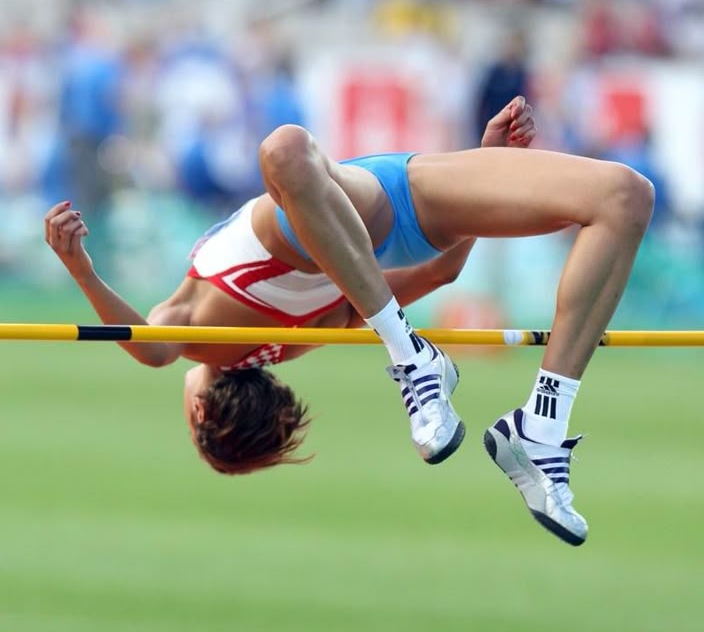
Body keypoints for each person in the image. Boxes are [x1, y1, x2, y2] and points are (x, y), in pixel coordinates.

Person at [44, 96, 654, 547]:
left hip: (409, 207)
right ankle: (418, 359)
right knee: (283, 149)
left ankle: (540, 424)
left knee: (625, 197)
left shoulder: (300, 340)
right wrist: (81, 270)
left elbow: (441, 273)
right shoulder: (203, 336)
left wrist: (486, 163)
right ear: (201, 412)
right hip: (366, 197)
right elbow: (149, 349)